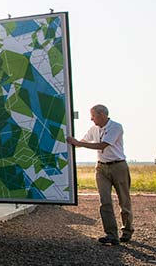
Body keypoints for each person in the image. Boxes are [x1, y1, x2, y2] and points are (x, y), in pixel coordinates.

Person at [66, 104, 133, 246]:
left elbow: (102, 145)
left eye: (93, 115)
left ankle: (127, 230)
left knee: (124, 201)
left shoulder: (116, 127)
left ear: (102, 115)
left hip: (118, 166)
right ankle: (111, 234)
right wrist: (69, 141)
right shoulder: (93, 129)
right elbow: (82, 142)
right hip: (101, 168)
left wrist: (79, 144)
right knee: (105, 201)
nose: (91, 119)